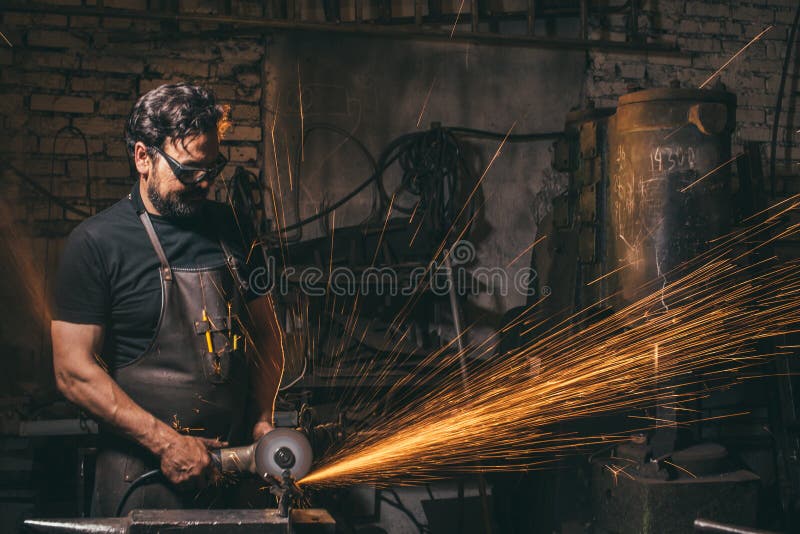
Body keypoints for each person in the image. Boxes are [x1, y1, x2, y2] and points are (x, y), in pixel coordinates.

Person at [51, 83, 284, 516]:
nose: (204, 183)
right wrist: (166, 443)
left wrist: (262, 417)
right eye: (189, 170)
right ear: (143, 157)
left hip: (234, 475)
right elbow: (72, 371)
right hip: (140, 480)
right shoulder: (96, 244)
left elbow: (269, 337)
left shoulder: (233, 227)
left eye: (212, 168)